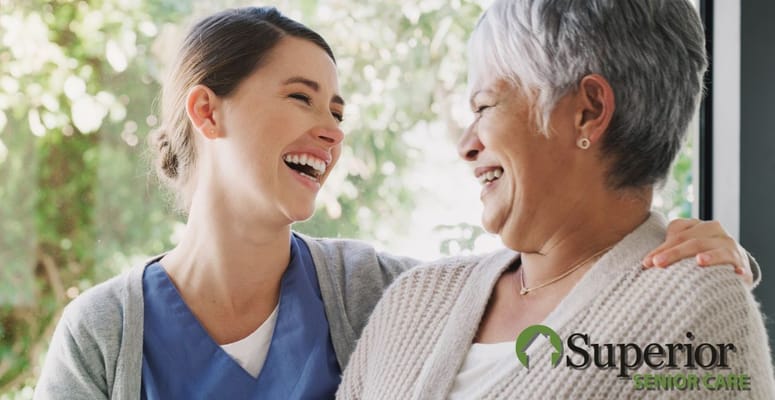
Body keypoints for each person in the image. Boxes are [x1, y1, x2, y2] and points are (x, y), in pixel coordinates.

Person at [34, 5, 760, 400]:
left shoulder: (375, 293)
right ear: (207, 111)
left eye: (339, 111)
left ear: (586, 112)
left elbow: (595, 282)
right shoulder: (107, 331)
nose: (330, 128)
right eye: (299, 97)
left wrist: (716, 266)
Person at [336, 0, 775, 399]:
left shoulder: (695, 318)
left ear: (589, 111)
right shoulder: (413, 300)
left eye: (485, 106)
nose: (466, 145)